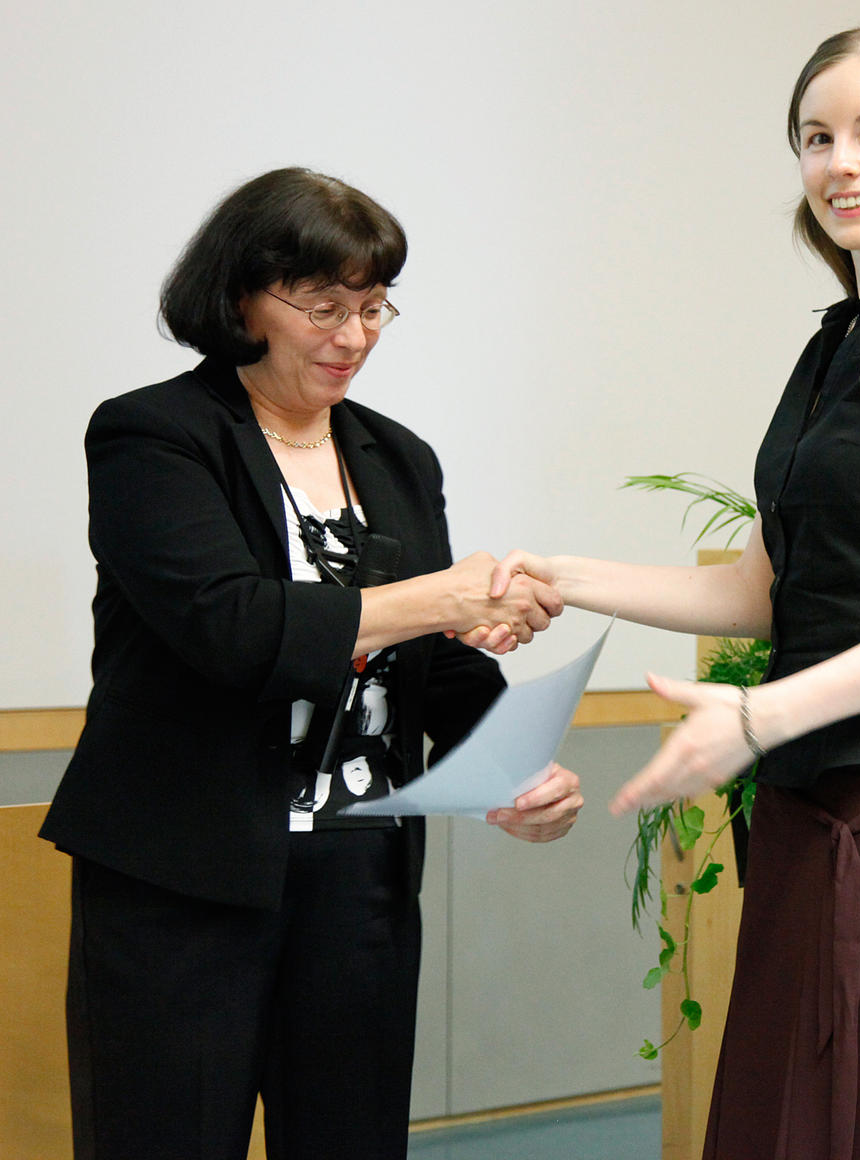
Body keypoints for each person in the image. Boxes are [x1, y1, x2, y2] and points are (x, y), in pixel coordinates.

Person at [485, 26, 860, 1160]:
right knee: (784, 1116)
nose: (841, 163)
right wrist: (567, 577)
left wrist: (755, 715)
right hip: (808, 794)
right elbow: (764, 588)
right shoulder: (842, 339)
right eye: (815, 137)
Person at [39, 167, 582, 1160]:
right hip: (185, 876)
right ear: (241, 297)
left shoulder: (398, 457)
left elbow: (437, 664)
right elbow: (233, 628)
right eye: (324, 306)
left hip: (359, 878)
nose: (354, 336)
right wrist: (446, 595)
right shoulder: (154, 435)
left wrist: (515, 767)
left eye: (374, 308)